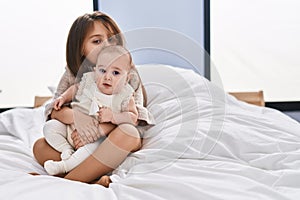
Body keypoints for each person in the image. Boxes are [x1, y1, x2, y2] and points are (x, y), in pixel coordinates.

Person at [32, 11, 154, 187]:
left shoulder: (128, 74)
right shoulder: (72, 75)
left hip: (111, 140)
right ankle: (92, 179)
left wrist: (100, 128)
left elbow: (135, 116)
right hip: (77, 141)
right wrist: (81, 120)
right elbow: (54, 110)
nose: (106, 45)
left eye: (111, 39)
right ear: (81, 48)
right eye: (97, 41)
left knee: (129, 133)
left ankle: (65, 181)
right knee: (39, 146)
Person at [43, 45, 149, 185]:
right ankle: (67, 151)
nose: (107, 77)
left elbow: (133, 118)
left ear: (127, 78)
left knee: (90, 151)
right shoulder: (89, 82)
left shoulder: (125, 95)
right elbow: (74, 89)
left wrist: (112, 117)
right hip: (72, 132)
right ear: (95, 71)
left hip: (95, 141)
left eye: (116, 73)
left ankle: (64, 171)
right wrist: (63, 98)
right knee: (50, 128)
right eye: (102, 70)